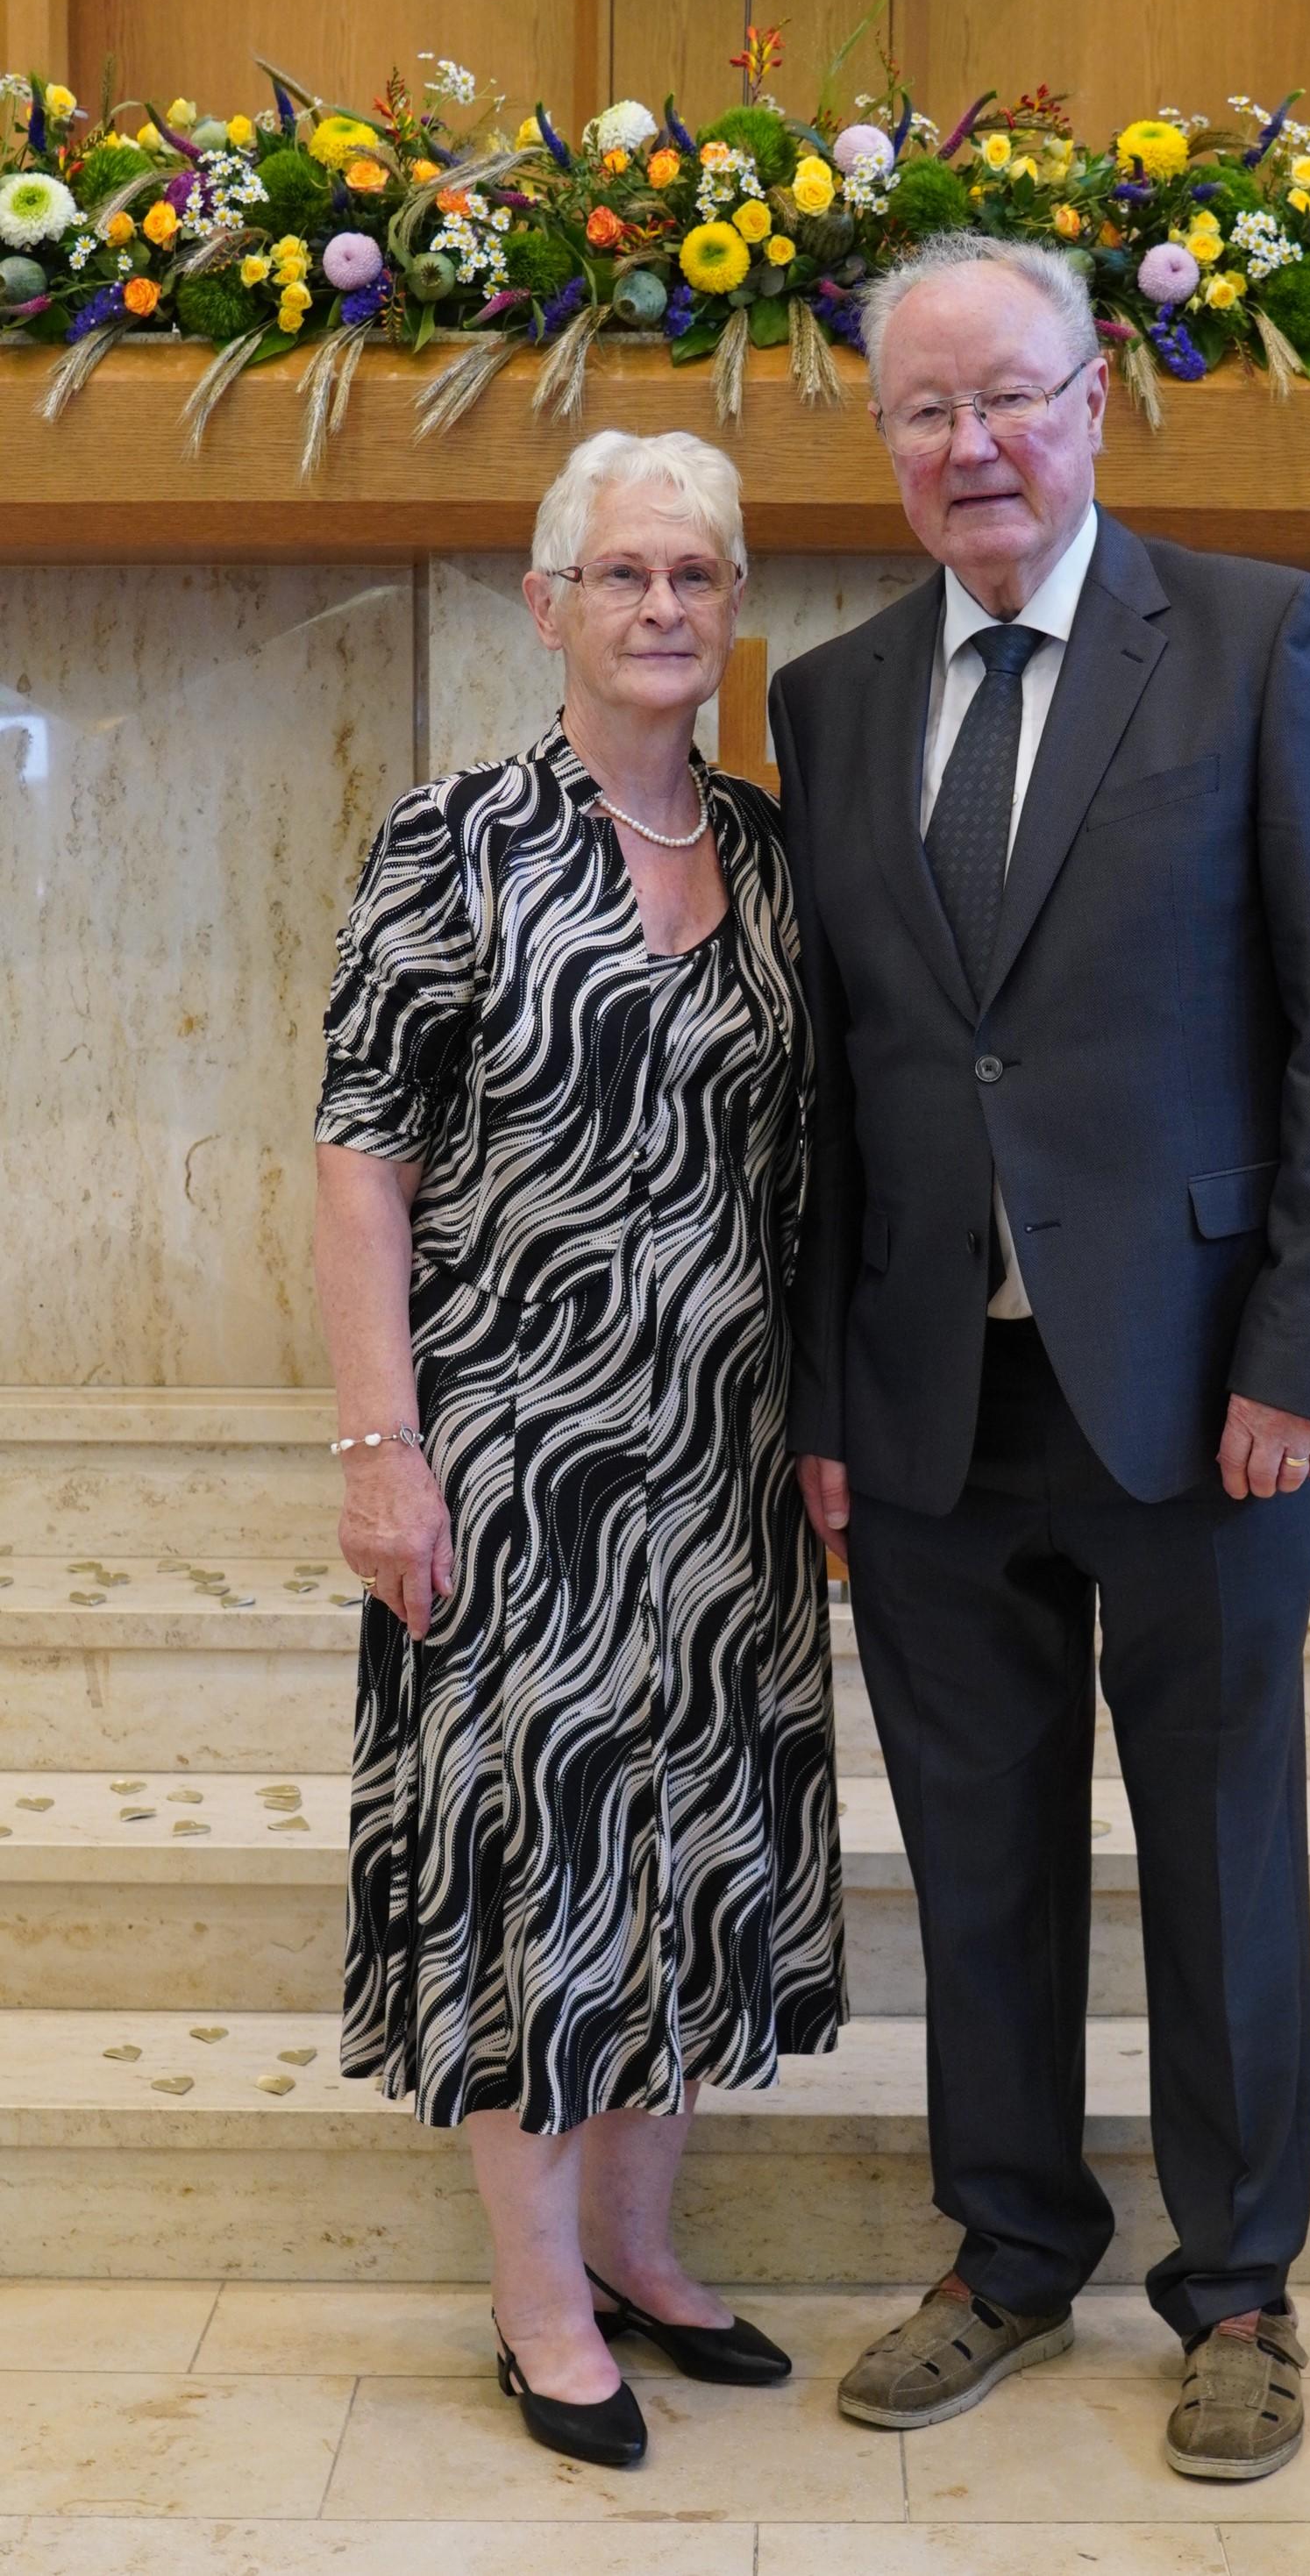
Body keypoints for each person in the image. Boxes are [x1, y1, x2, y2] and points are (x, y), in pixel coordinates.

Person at [771, 235, 1310, 2480]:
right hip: (933, 1407)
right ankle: (1011, 2251)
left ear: (1096, 401)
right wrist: (830, 1409)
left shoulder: (1254, 637)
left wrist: (1302, 1357)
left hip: (1202, 1392)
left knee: (1222, 1850)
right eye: (925, 411)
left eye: (1009, 398)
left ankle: (1238, 2292)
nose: (974, 446)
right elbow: (841, 1084)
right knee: (980, 1856)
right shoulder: (832, 700)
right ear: (884, 443)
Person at [313, 427, 844, 2472]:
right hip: (515, 1459)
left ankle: (636, 2244)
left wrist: (825, 1425)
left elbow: (817, 1167)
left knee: (689, 1854)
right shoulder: (452, 841)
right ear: (548, 607)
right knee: (536, 1859)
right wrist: (382, 1446)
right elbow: (362, 1157)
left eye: (695, 575)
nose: (661, 607)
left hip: (721, 1460)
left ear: (734, 611)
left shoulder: (775, 852)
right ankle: (537, 2302)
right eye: (622, 573)